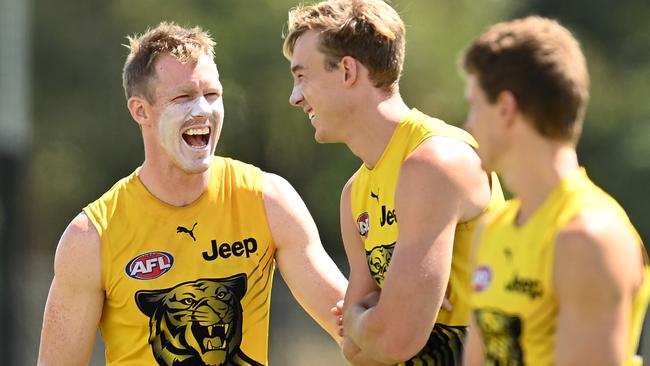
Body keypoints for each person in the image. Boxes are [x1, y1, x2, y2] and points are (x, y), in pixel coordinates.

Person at [37, 22, 347, 366]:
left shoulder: (268, 199)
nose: (203, 110)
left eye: (212, 95)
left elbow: (353, 326)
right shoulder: (91, 235)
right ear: (141, 111)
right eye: (183, 97)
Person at [283, 1, 504, 364]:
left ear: (347, 71)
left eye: (302, 76)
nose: (295, 97)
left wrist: (359, 316)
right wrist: (373, 318)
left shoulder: (435, 162)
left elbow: (392, 342)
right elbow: (356, 352)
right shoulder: (354, 193)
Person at [461, 16, 650, 366]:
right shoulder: (494, 227)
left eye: (475, 105)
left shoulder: (589, 238)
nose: (468, 124)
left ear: (506, 108)